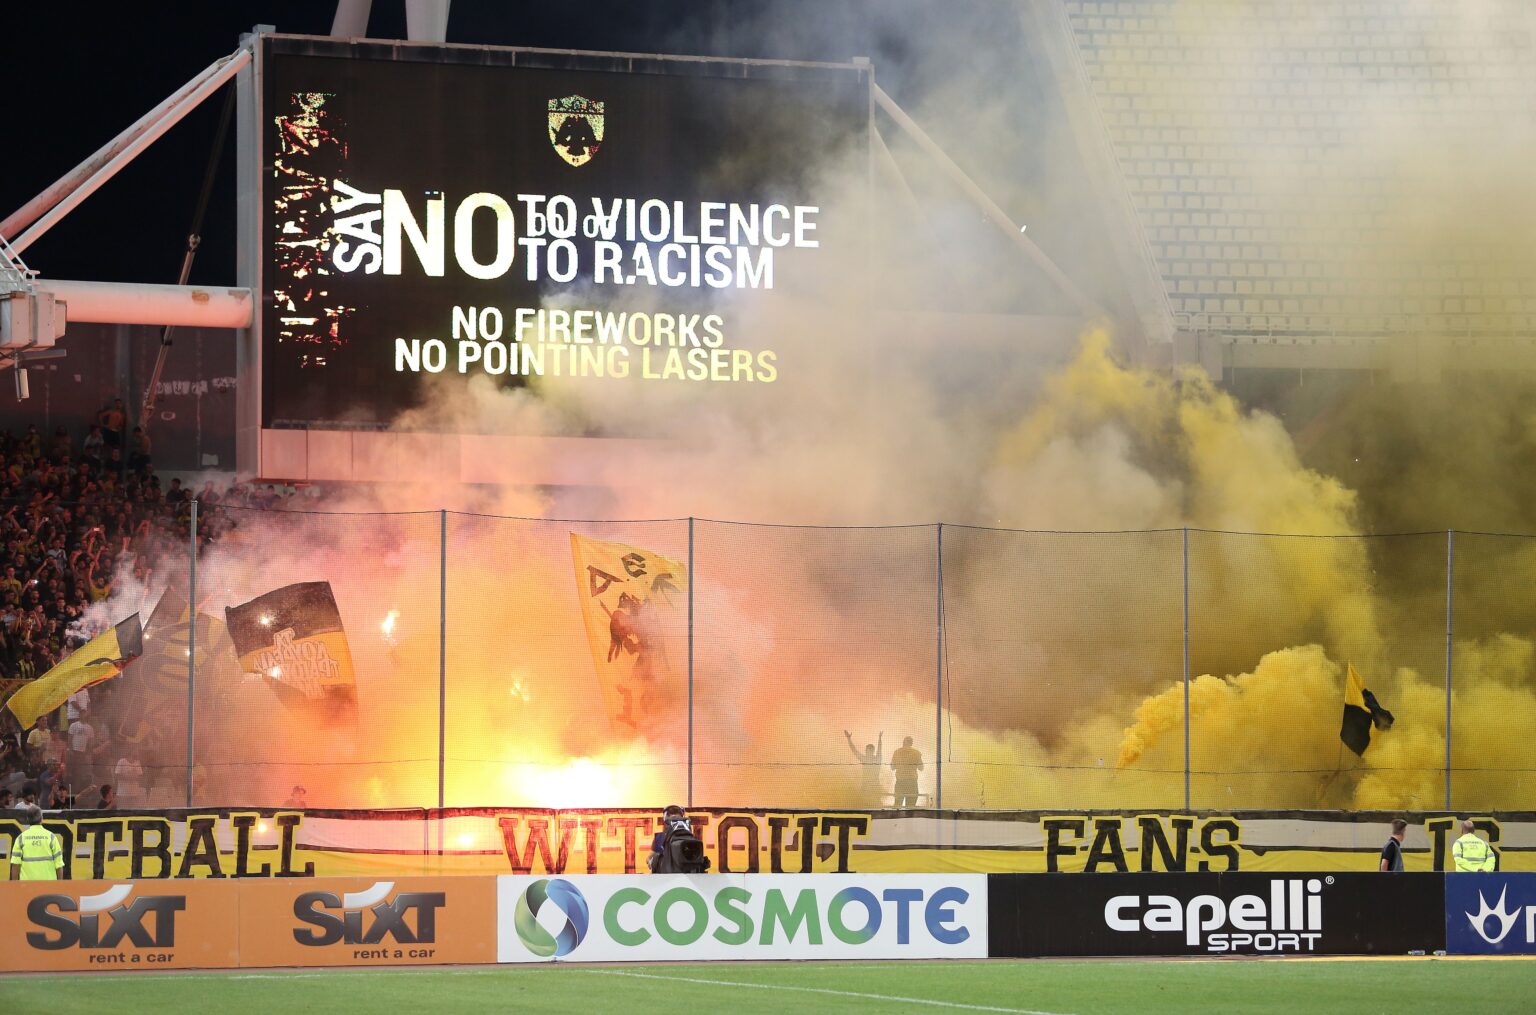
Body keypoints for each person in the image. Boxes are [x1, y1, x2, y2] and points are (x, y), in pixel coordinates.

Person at [9, 806, 63, 880]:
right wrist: (59, 884)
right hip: (49, 884)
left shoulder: (20, 839)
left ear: (27, 819)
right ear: (41, 818)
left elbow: (15, 865)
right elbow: (59, 865)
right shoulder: (51, 837)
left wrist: (15, 885)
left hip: (27, 885)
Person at [844, 729, 884, 805]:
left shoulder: (876, 759)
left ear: (872, 751)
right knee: (864, 803)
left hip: (873, 785)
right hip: (866, 785)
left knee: (875, 804)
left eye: (867, 750)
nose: (866, 751)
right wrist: (849, 739)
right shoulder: (866, 758)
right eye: (866, 750)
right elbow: (854, 750)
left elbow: (879, 749)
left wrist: (879, 738)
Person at [890, 736, 925, 807]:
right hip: (912, 782)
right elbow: (921, 768)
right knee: (910, 807)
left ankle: (897, 814)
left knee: (897, 806)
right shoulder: (916, 753)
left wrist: (901, 765)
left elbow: (892, 767)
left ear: (903, 742)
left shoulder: (897, 752)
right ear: (911, 743)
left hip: (900, 782)